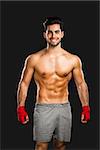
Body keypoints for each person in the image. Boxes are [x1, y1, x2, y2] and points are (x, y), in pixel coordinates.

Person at [17, 16, 90, 150]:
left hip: (64, 107)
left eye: (57, 32)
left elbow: (81, 84)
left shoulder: (73, 60)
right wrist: (21, 107)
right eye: (49, 32)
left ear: (62, 34)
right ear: (45, 35)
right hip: (43, 107)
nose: (53, 36)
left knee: (61, 146)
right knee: (41, 146)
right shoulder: (34, 59)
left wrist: (85, 106)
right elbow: (24, 83)